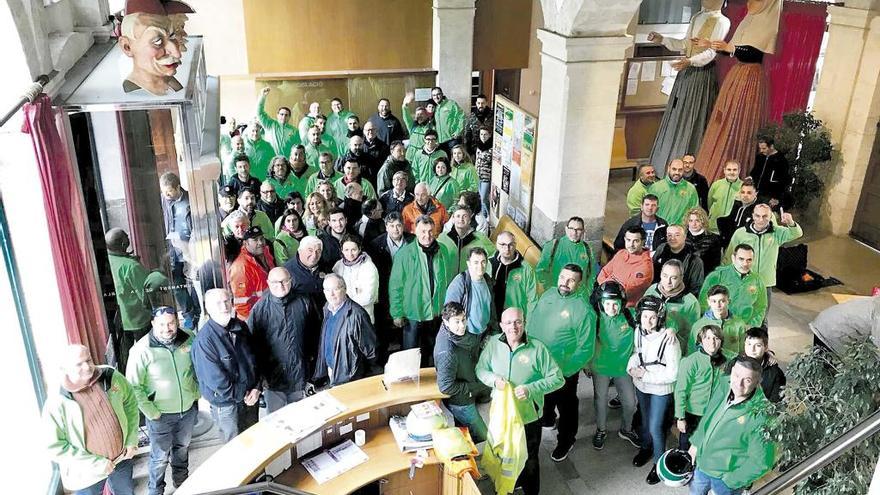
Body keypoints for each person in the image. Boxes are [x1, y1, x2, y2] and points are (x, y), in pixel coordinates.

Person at [476, 307, 564, 495]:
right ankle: (512, 482)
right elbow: (480, 369)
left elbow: (557, 378)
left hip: (528, 416)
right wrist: (494, 380)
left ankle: (531, 490)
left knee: (529, 458)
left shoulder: (537, 348)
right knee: (506, 453)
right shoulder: (493, 344)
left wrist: (531, 389)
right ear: (501, 325)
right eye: (508, 323)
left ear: (524, 323)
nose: (513, 327)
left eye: (518, 322)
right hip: (503, 415)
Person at [693, 0, 783, 182]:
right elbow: (733, 50)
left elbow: (753, 52)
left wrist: (729, 48)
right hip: (737, 74)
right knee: (722, 119)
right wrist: (713, 45)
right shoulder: (748, 19)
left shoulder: (767, 23)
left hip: (750, 78)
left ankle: (733, 169)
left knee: (739, 122)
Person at [645, 2, 730, 177]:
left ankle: (688, 169)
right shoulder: (697, 17)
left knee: (693, 115)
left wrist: (690, 61)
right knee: (677, 113)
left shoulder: (722, 22)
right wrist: (662, 39)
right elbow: (685, 44)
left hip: (701, 75)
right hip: (687, 72)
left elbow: (711, 53)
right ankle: (666, 165)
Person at [43, 344, 139, 495]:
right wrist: (95, 464)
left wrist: (132, 439)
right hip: (87, 473)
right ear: (65, 369)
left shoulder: (109, 375)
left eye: (88, 360)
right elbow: (55, 447)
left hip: (122, 458)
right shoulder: (57, 402)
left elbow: (130, 403)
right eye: (79, 364)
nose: (87, 367)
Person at [126, 307, 199, 495]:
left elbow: (199, 366)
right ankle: (155, 490)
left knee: (182, 449)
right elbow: (133, 387)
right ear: (153, 324)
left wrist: (197, 393)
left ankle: (182, 483)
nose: (167, 328)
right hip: (160, 415)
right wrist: (151, 412)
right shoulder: (141, 350)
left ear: (177, 322)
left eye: (171, 323)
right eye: (162, 324)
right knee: (159, 458)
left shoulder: (189, 337)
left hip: (188, 410)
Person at [528, 264, 597, 461]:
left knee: (567, 406)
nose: (565, 283)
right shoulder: (549, 294)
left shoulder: (584, 310)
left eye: (571, 280)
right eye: (563, 277)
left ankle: (566, 440)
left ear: (579, 283)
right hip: (540, 364)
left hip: (563, 370)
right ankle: (549, 418)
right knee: (545, 398)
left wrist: (564, 371)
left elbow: (585, 348)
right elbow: (535, 321)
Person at [688, 356, 776, 495]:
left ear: (757, 382)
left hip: (725, 480)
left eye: (747, 380)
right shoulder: (724, 384)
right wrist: (696, 444)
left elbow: (762, 462)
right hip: (701, 465)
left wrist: (731, 481)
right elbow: (709, 416)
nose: (738, 383)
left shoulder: (761, 416)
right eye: (736, 375)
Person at [191, 289, 260, 442]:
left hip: (250, 398)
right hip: (227, 406)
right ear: (208, 308)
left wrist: (257, 388)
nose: (224, 306)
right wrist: (245, 394)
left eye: (226, 301)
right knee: (234, 449)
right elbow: (217, 382)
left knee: (253, 445)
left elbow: (254, 360)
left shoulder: (240, 327)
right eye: (218, 303)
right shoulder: (205, 341)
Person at [627, 296, 682, 484]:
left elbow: (673, 374)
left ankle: (659, 464)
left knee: (655, 426)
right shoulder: (638, 332)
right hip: (642, 386)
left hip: (661, 389)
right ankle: (646, 447)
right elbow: (636, 352)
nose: (648, 321)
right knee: (644, 419)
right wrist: (631, 367)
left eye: (652, 317)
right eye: (644, 317)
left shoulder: (670, 340)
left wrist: (645, 375)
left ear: (660, 318)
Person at [389, 215, 457, 364]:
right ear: (415, 231)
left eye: (430, 231)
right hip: (413, 313)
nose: (427, 235)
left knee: (434, 352)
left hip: (436, 313)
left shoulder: (443, 250)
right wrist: (397, 313)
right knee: (411, 354)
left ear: (436, 231)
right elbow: (396, 286)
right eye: (423, 231)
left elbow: (449, 280)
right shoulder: (404, 254)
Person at [247, 267, 314, 412]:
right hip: (274, 380)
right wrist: (258, 382)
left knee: (299, 420)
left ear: (291, 281)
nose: (281, 286)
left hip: (299, 376)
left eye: (284, 281)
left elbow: (314, 336)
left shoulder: (304, 302)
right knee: (276, 422)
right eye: (275, 282)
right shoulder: (260, 309)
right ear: (268, 283)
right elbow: (252, 348)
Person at [724, 205, 803, 316]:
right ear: (753, 216)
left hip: (765, 282)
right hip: (743, 281)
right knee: (739, 314)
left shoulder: (777, 233)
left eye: (765, 216)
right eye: (758, 216)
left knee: (761, 315)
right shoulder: (740, 233)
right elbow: (729, 257)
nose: (761, 219)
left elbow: (797, 233)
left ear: (770, 217)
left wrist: (790, 222)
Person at [589, 282, 640, 451]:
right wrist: (585, 364)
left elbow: (653, 321)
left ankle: (626, 429)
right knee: (600, 400)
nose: (612, 308)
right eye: (608, 303)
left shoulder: (630, 316)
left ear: (622, 303)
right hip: (600, 367)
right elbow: (585, 341)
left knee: (630, 403)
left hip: (623, 368)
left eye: (616, 303)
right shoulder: (595, 318)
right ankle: (601, 430)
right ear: (601, 303)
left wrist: (671, 330)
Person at [434, 302, 491, 442]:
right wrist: (472, 387)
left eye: (464, 319)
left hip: (468, 384)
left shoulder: (454, 333)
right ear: (445, 322)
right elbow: (446, 387)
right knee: (483, 435)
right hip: (461, 401)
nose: (462, 325)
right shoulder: (447, 352)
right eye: (457, 322)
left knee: (465, 431)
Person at [673, 324, 734, 452]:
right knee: (686, 446)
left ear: (721, 341)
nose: (712, 342)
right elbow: (681, 391)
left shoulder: (728, 360)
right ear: (700, 341)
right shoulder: (691, 361)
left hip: (715, 412)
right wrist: (680, 417)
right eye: (707, 338)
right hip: (693, 413)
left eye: (716, 338)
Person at [314, 274, 377, 386]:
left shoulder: (356, 315)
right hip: (333, 370)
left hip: (350, 377)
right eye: (328, 290)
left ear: (345, 288)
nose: (331, 294)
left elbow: (371, 350)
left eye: (336, 289)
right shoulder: (327, 308)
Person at [105, 228, 151, 373]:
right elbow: (146, 292)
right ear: (124, 243)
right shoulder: (130, 266)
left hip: (119, 320)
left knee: (125, 357)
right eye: (126, 236)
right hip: (138, 319)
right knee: (147, 352)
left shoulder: (108, 261)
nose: (128, 237)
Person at [118, 5, 190, 96]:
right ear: (127, 47)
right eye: (157, 42)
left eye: (172, 36)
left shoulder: (168, 80)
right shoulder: (137, 94)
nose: (177, 53)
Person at [159, 172, 199, 330]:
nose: (166, 195)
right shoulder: (164, 200)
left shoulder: (191, 200)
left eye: (169, 191)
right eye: (164, 192)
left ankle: (197, 310)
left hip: (191, 246)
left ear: (178, 187)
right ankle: (189, 314)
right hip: (173, 247)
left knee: (196, 279)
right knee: (176, 282)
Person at [700, 244, 767, 328]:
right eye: (741, 259)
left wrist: (752, 325)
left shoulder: (758, 280)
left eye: (749, 260)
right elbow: (703, 303)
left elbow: (760, 307)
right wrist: (715, 324)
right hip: (719, 327)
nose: (745, 263)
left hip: (745, 328)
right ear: (733, 258)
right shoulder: (717, 276)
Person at [644, 260, 702, 352]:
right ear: (660, 274)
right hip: (649, 346)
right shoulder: (652, 290)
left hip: (674, 350)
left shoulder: (690, 302)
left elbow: (694, 336)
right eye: (665, 276)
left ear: (681, 277)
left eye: (674, 278)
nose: (668, 281)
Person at [535, 216, 597, 293]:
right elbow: (541, 270)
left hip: (578, 297)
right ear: (566, 229)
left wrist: (587, 292)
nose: (574, 232)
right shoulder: (553, 246)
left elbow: (592, 274)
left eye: (578, 229)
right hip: (556, 293)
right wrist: (550, 289)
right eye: (571, 228)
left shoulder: (587, 249)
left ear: (583, 231)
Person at [444, 247, 497, 336]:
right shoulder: (460, 282)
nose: (480, 266)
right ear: (468, 264)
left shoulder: (488, 281)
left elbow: (491, 308)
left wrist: (494, 331)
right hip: (466, 335)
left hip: (484, 334)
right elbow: (449, 312)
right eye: (476, 262)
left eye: (483, 262)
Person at [228, 226, 275, 319]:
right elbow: (241, 304)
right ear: (245, 243)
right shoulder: (241, 267)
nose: (260, 243)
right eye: (255, 240)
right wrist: (250, 325)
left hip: (271, 309)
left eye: (261, 238)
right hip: (258, 316)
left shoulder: (265, 252)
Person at [599, 225, 654, 307]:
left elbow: (626, 292)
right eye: (628, 240)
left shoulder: (645, 266)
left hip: (626, 309)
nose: (631, 244)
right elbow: (603, 273)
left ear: (643, 242)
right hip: (606, 300)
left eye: (635, 241)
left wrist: (607, 284)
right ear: (624, 239)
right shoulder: (621, 253)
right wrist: (608, 286)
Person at [809, 296, 880, 354]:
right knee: (827, 367)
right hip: (830, 331)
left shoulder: (876, 303)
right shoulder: (877, 313)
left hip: (827, 321)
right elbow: (877, 347)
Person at [333, 234, 380, 323]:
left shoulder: (369, 267)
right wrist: (355, 293)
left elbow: (368, 297)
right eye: (346, 250)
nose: (350, 254)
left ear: (359, 249)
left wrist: (343, 299)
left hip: (363, 317)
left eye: (353, 250)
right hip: (342, 318)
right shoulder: (338, 266)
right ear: (342, 250)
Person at [689, 285, 748, 355]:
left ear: (728, 301)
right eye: (714, 301)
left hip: (732, 363)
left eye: (722, 301)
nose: (718, 305)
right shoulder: (699, 325)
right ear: (708, 302)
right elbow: (691, 351)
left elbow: (743, 351)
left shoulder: (739, 324)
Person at [490, 231, 538, 317]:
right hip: (492, 317)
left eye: (510, 244)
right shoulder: (489, 264)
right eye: (503, 244)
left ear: (515, 245)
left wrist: (527, 324)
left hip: (514, 320)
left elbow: (532, 299)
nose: (507, 248)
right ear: (497, 245)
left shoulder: (526, 269)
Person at [652, 224, 705, 297]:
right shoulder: (661, 249)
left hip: (681, 299)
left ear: (684, 237)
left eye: (677, 235)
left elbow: (696, 287)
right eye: (669, 235)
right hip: (658, 295)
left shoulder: (694, 260)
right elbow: (652, 273)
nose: (672, 238)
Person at [438, 206, 495, 273]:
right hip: (449, 280)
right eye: (458, 216)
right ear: (453, 219)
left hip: (471, 279)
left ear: (470, 219)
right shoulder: (443, 238)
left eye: (464, 216)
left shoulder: (480, 238)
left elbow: (492, 255)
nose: (461, 219)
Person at [648, 158, 700, 225]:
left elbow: (694, 211)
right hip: (660, 229)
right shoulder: (656, 188)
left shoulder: (690, 189)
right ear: (668, 169)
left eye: (680, 170)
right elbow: (649, 211)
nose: (677, 173)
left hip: (681, 231)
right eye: (674, 169)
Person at [743, 327, 786, 403]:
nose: (752, 349)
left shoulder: (775, 373)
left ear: (766, 348)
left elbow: (776, 402)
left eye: (758, 345)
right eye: (749, 344)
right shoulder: (735, 365)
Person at [255, 87, 299, 157]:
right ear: (277, 115)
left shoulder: (294, 131)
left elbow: (297, 147)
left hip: (286, 162)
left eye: (286, 115)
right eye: (281, 114)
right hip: (270, 159)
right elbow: (259, 113)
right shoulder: (270, 124)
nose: (283, 117)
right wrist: (262, 96)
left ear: (289, 117)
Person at [717, 177, 760, 246]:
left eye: (749, 193)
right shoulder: (736, 205)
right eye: (743, 192)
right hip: (730, 243)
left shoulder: (759, 210)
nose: (745, 195)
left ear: (755, 194)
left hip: (746, 246)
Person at [752, 136, 792, 209]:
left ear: (771, 146)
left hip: (769, 196)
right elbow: (755, 172)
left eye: (764, 148)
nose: (761, 151)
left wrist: (776, 197)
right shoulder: (759, 157)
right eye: (760, 148)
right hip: (756, 193)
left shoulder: (781, 160)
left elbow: (784, 181)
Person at [707, 160, 743, 233]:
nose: (732, 172)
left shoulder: (743, 187)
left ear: (739, 171)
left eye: (735, 170)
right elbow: (709, 202)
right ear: (724, 170)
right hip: (713, 226)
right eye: (729, 169)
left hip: (732, 228)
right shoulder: (716, 184)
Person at [686, 207, 723, 274]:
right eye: (691, 221)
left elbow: (715, 264)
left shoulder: (713, 239)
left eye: (697, 220)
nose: (693, 224)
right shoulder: (682, 236)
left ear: (703, 221)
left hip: (704, 275)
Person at [430, 86, 466, 153]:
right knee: (444, 162)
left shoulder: (451, 104)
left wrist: (458, 131)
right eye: (434, 95)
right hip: (440, 142)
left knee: (454, 161)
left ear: (442, 94)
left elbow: (462, 116)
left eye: (438, 94)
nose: (436, 97)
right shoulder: (435, 107)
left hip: (452, 140)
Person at [401, 93, 435, 161]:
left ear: (426, 115)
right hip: (410, 157)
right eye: (418, 114)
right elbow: (406, 117)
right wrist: (405, 105)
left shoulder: (430, 127)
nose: (419, 116)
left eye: (422, 114)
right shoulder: (412, 126)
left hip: (422, 157)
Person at [474, 126, 493, 216]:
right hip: (478, 175)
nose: (483, 136)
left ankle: (489, 214)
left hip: (486, 176)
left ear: (490, 135)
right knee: (480, 197)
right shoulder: (479, 146)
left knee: (484, 197)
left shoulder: (491, 149)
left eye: (485, 134)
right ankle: (484, 216)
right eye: (481, 134)